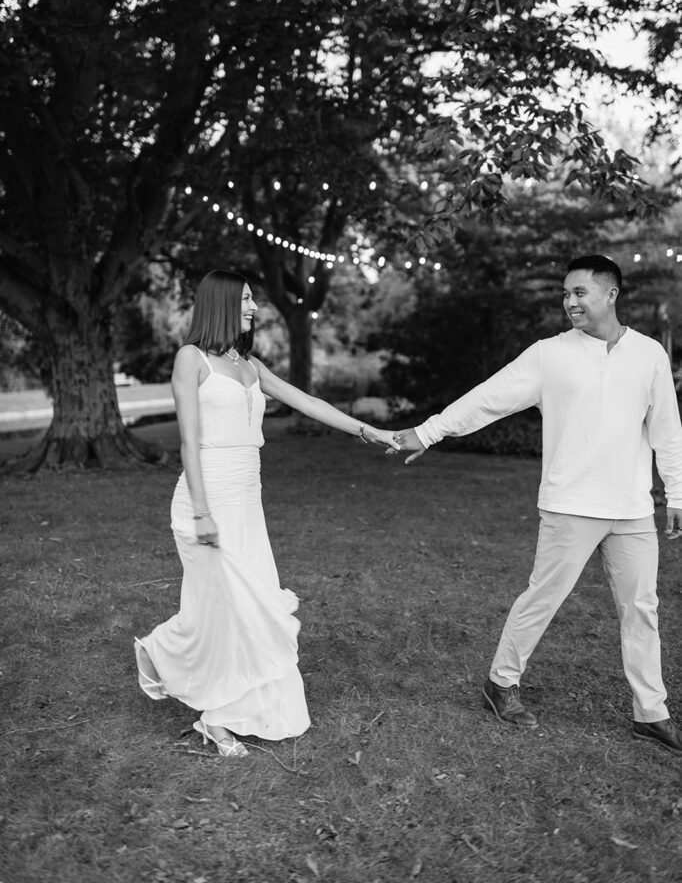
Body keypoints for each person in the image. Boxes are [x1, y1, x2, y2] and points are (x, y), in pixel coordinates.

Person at [391, 254, 682, 754]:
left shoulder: (649, 354)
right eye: (565, 293)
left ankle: (649, 712)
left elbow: (666, 430)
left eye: (580, 293)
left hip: (632, 508)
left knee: (642, 609)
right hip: (571, 503)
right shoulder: (549, 354)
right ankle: (500, 683)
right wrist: (428, 432)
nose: (569, 301)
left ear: (611, 294)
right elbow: (489, 397)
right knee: (542, 598)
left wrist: (676, 492)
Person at [134, 269, 397, 757]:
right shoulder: (190, 360)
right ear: (221, 303)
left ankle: (205, 693)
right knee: (229, 608)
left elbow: (307, 401)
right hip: (203, 500)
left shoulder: (250, 365)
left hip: (246, 503)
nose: (254, 309)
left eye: (254, 300)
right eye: (247, 300)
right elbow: (189, 442)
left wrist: (367, 431)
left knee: (243, 611)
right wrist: (203, 513)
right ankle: (209, 707)